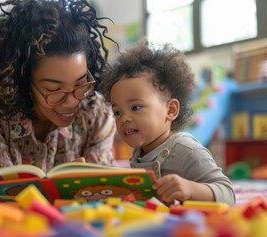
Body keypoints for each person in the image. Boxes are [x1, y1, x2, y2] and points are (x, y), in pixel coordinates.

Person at [0, 0, 118, 176]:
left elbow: (102, 192)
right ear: (23, 81)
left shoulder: (98, 113)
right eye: (54, 89)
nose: (71, 102)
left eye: (80, 84)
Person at [100, 39, 235, 206]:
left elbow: (228, 194)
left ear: (170, 110)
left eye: (135, 107)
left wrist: (190, 189)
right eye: (117, 112)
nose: (124, 118)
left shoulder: (186, 150)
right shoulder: (139, 153)